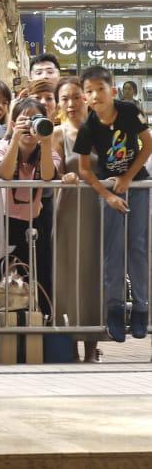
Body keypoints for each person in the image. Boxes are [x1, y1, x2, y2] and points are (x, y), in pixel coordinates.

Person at [73, 65, 152, 342]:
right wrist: (107, 195)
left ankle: (142, 309)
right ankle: (115, 310)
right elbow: (84, 169)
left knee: (138, 247)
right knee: (113, 251)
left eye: (100, 89)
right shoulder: (88, 127)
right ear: (84, 97)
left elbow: (147, 143)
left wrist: (129, 178)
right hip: (109, 190)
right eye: (89, 92)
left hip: (137, 186)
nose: (95, 96)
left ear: (112, 90)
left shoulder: (129, 112)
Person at [0, 98, 59, 309]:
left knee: (38, 280)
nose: (31, 125)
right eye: (25, 120)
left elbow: (48, 175)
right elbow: (4, 173)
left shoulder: (48, 151)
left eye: (36, 120)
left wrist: (46, 141)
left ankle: (39, 331)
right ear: (13, 124)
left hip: (32, 224)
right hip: (1, 223)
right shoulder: (1, 146)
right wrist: (14, 139)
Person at [54, 77, 103, 361]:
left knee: (94, 276)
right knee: (68, 277)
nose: (71, 104)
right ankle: (69, 345)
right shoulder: (59, 134)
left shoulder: (104, 132)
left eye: (76, 97)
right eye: (65, 99)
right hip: (69, 212)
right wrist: (64, 176)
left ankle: (93, 347)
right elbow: (52, 168)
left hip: (98, 211)